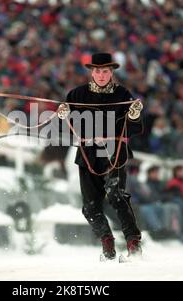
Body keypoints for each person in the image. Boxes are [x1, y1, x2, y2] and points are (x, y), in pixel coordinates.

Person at [56, 53, 144, 260]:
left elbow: (133, 128)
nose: (101, 75)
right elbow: (67, 123)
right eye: (97, 71)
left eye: (105, 71)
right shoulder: (76, 95)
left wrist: (133, 115)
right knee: (90, 206)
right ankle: (107, 242)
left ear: (111, 72)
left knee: (116, 195)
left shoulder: (123, 94)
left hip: (115, 151)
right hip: (88, 153)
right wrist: (63, 114)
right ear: (91, 72)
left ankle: (133, 242)